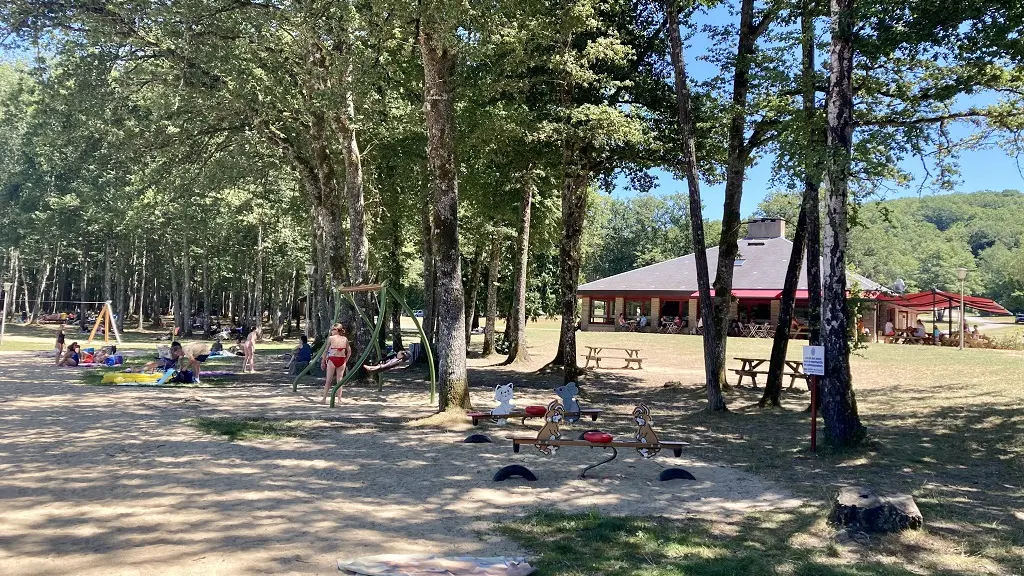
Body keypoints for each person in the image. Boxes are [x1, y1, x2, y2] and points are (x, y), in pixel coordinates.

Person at [319, 324, 351, 404]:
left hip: (333, 359)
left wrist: (323, 361)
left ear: (338, 330)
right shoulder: (345, 339)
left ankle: (324, 399)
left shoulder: (331, 338)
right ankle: (338, 400)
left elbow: (326, 350)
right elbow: (349, 351)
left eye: (333, 329)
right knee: (338, 381)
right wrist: (346, 360)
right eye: (331, 329)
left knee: (329, 381)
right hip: (341, 359)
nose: (331, 331)